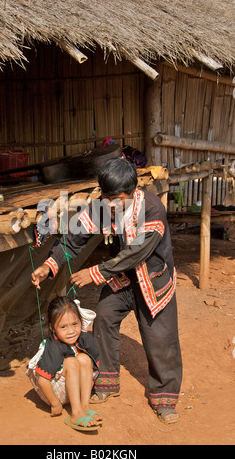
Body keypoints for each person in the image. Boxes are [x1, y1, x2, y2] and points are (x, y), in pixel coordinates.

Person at [31, 157, 182, 424]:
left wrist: (95, 272)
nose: (112, 205)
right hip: (123, 280)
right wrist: (48, 265)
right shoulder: (101, 206)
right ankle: (107, 384)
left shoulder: (151, 208)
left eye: (119, 200)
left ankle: (165, 399)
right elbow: (74, 239)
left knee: (160, 339)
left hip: (153, 282)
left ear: (133, 192)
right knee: (104, 317)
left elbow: (137, 253)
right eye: (108, 198)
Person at [27, 295, 102, 431]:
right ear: (52, 328)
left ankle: (84, 407)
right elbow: (43, 381)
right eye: (63, 327)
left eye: (75, 324)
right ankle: (76, 413)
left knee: (85, 359)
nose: (71, 331)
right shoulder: (53, 346)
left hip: (73, 391)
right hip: (52, 393)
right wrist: (55, 403)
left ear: (81, 321)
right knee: (72, 362)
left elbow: (93, 370)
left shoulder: (85, 339)